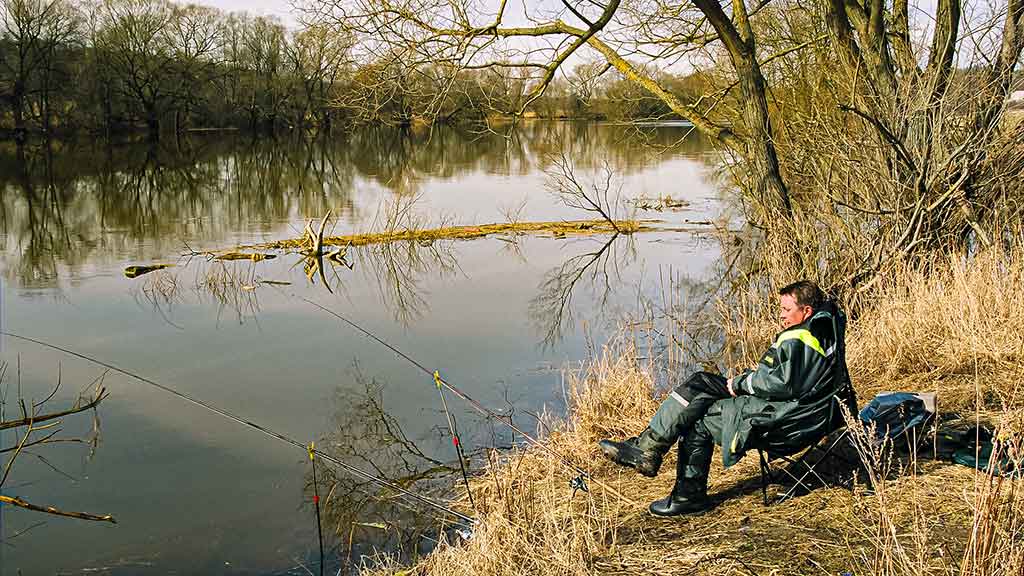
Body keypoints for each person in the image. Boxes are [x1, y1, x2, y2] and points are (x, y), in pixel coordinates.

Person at [598, 280, 855, 516]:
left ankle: (687, 495)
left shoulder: (802, 338)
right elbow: (791, 380)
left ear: (806, 311)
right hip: (815, 412)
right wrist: (744, 382)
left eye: (786, 310)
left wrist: (743, 382)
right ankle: (647, 447)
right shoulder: (826, 325)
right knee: (701, 382)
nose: (781, 315)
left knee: (699, 417)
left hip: (786, 420)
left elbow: (784, 384)